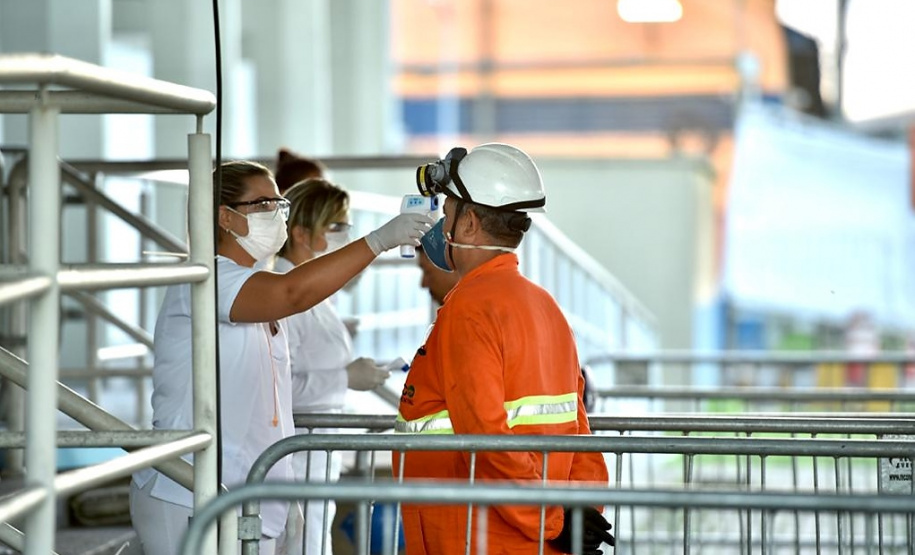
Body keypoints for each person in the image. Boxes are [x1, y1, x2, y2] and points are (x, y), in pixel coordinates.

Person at [129, 160, 432, 555]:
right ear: (226, 217)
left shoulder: (253, 282)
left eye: (281, 204)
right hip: (188, 489)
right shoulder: (206, 278)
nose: (279, 214)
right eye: (266, 204)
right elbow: (291, 293)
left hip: (245, 493)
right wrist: (378, 241)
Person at [393, 143, 614, 555]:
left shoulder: (470, 309)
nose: (443, 226)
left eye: (449, 213)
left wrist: (553, 520)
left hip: (477, 535)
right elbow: (579, 427)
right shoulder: (545, 305)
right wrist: (580, 511)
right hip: (535, 537)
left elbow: (485, 435)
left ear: (471, 223)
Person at [274, 177, 392, 554]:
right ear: (301, 234)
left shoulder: (316, 295)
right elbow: (277, 386)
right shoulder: (280, 289)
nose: (345, 236)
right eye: (336, 227)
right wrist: (345, 377)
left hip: (314, 457)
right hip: (294, 458)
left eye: (348, 226)